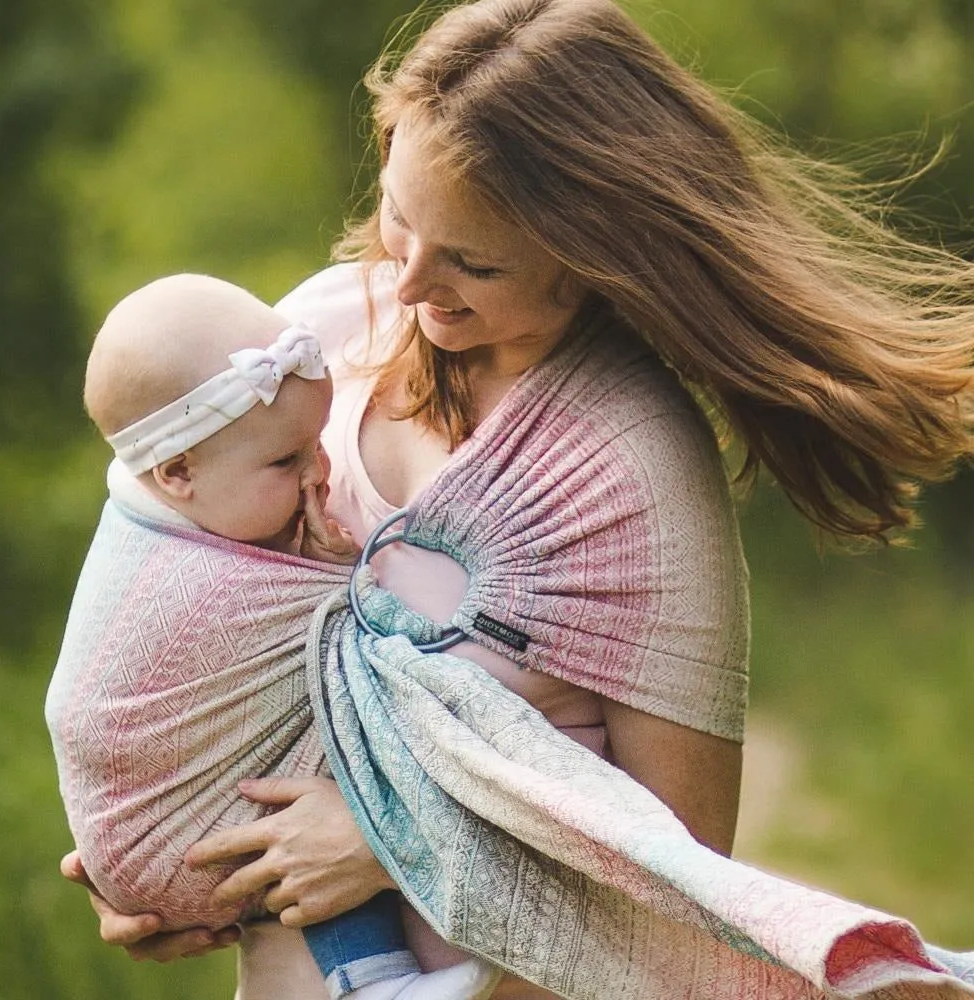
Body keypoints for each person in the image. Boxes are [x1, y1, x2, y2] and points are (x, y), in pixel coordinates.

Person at [61, 0, 974, 997]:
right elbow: (179, 597)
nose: (406, 281)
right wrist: (150, 855)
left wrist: (392, 840)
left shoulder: (629, 466)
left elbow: (680, 866)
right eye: (401, 214)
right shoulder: (310, 341)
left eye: (473, 261)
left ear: (594, 262)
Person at [47, 273, 498, 1000]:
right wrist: (333, 573)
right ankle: (372, 981)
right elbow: (354, 636)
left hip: (168, 857)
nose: (318, 471)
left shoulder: (221, 455)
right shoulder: (180, 570)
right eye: (287, 462)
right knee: (343, 728)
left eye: (315, 445)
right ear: (177, 473)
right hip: (174, 845)